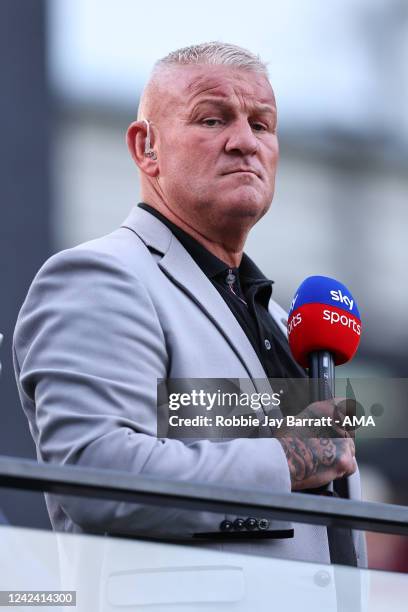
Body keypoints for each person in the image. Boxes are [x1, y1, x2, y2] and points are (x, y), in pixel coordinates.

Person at [13, 42, 365, 566]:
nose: (245, 142)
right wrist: (287, 460)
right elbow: (94, 474)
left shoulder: (279, 316)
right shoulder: (99, 277)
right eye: (212, 119)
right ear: (146, 147)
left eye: (262, 125)